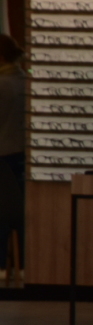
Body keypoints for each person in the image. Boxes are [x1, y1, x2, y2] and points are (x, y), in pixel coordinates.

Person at [0, 33, 24, 281]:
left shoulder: (2, 85)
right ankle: (21, 266)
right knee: (16, 213)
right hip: (20, 156)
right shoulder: (24, 81)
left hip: (2, 157)